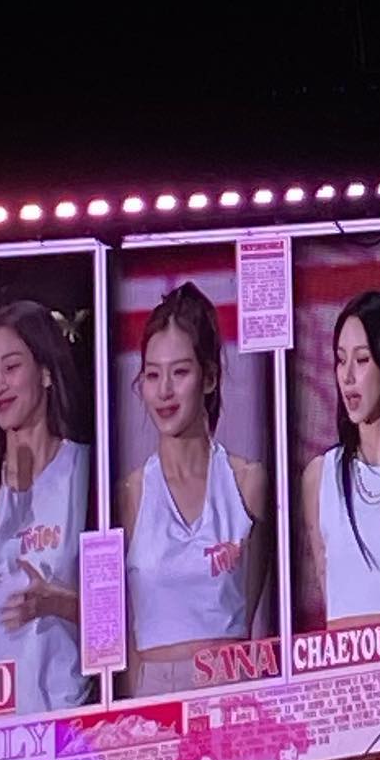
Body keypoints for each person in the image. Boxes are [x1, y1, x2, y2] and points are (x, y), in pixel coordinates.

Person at [119, 283, 270, 696]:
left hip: (232, 686)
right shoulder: (129, 495)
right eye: (152, 374)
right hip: (155, 691)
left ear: (209, 378)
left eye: (180, 372)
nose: (164, 390)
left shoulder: (247, 482)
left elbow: (250, 614)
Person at [0, 300, 91, 715]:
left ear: (45, 372)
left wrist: (55, 603)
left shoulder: (87, 475)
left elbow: (119, 619)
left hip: (66, 718)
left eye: (11, 368)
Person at [301, 291, 380, 629]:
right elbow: (329, 587)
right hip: (345, 658)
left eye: (362, 359)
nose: (347, 377)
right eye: (340, 360)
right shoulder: (320, 477)